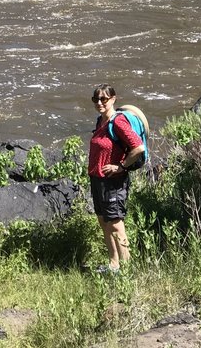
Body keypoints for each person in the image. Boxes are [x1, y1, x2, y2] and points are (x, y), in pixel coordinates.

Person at [88, 84, 145, 274]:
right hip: (98, 179)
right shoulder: (100, 121)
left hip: (114, 181)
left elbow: (138, 148)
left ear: (113, 99)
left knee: (115, 223)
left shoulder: (118, 122)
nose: (99, 103)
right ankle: (113, 264)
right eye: (96, 99)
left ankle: (127, 270)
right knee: (104, 221)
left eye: (103, 99)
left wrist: (120, 166)